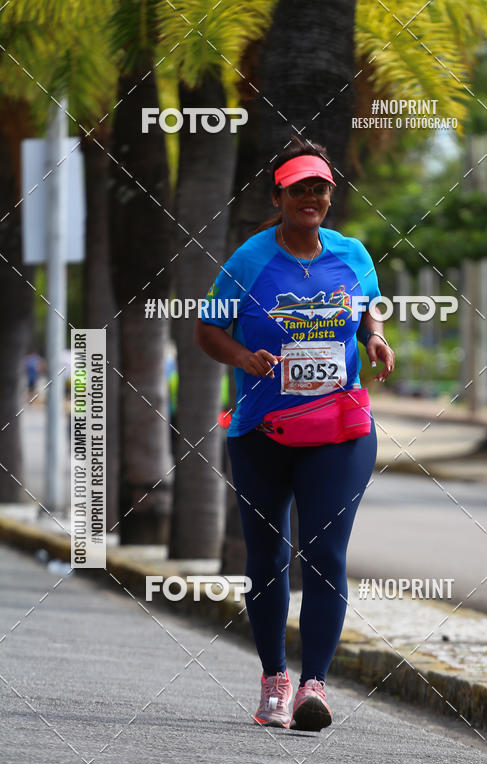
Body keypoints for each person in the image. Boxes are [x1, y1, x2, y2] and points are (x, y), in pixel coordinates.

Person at [195, 137, 394, 731]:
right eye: (299, 187)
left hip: (340, 426)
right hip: (262, 430)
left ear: (331, 196)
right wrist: (243, 356)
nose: (311, 197)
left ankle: (315, 687)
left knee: (326, 553)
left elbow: (366, 308)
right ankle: (274, 680)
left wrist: (375, 337)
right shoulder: (249, 261)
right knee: (267, 558)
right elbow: (208, 333)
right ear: (279, 195)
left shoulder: (353, 252)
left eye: (320, 188)